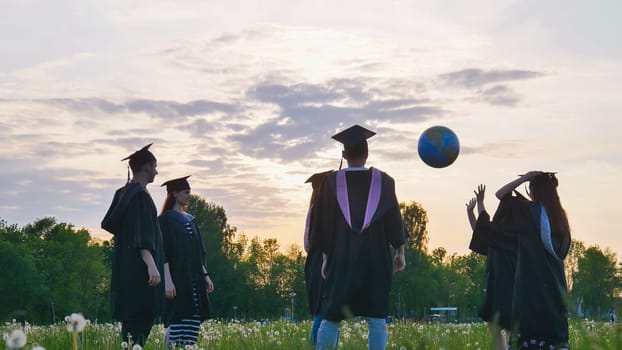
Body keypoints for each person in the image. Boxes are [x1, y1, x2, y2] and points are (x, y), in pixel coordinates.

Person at [310, 125, 407, 350]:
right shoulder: (384, 182)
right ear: (367, 154)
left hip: (341, 259)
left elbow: (322, 224)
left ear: (344, 155)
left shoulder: (330, 184)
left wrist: (325, 257)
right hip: (376, 259)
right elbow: (394, 219)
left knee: (332, 315)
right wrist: (400, 252)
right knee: (376, 319)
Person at [484, 171, 571, 349]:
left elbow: (500, 194)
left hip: (530, 288)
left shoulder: (529, 212)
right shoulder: (559, 218)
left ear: (534, 191)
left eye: (530, 189)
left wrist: (525, 177)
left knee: (528, 335)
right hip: (554, 287)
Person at [101, 143, 165, 346]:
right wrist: (151, 264)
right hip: (140, 272)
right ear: (146, 167)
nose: (156, 171)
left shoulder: (124, 193)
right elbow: (141, 233)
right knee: (140, 323)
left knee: (130, 329)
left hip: (126, 268)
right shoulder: (140, 196)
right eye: (155, 166)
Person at [159, 176, 214, 348]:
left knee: (194, 319)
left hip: (195, 279)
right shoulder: (165, 220)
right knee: (179, 318)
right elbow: (164, 253)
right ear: (174, 193)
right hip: (177, 278)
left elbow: (198, 251)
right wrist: (167, 280)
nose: (189, 195)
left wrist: (205, 275)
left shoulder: (191, 219)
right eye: (186, 192)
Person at [467, 184, 514, 350]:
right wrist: (471, 213)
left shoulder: (507, 235)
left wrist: (480, 203)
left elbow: (483, 224)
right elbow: (480, 232)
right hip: (495, 285)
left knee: (509, 326)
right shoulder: (496, 234)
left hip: (507, 286)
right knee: (494, 326)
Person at [303, 170, 333, 345]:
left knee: (320, 311)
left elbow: (307, 245)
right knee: (325, 311)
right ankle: (319, 345)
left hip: (313, 264)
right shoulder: (322, 211)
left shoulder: (313, 209)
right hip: (321, 262)